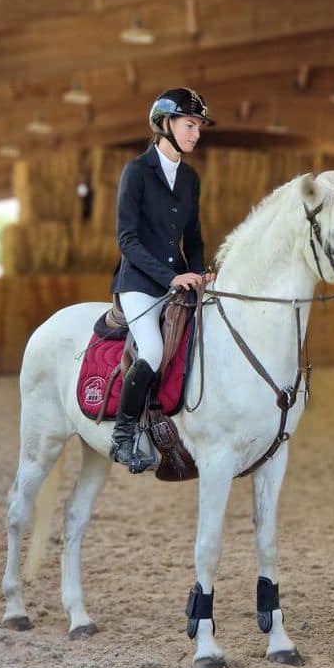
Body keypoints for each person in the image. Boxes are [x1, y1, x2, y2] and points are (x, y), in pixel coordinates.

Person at [109, 87, 215, 470]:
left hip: (181, 279)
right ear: (166, 123)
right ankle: (122, 437)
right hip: (138, 282)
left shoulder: (190, 179)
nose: (196, 134)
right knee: (152, 350)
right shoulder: (136, 172)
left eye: (199, 127)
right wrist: (172, 277)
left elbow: (196, 238)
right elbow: (127, 241)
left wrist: (201, 271)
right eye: (190, 125)